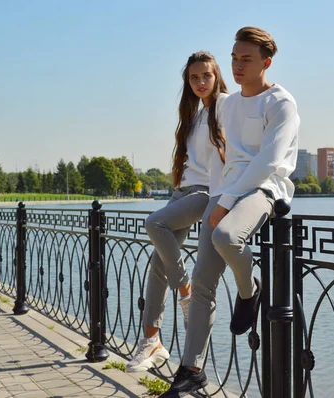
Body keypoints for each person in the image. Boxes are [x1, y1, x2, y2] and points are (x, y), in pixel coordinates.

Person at [160, 26, 300, 396]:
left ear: (266, 63)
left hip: (263, 190)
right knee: (202, 282)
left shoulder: (281, 103)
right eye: (234, 58)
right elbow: (204, 124)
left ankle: (249, 288)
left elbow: (267, 162)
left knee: (225, 236)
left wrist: (222, 202)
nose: (237, 65)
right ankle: (191, 370)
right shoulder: (228, 104)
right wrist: (211, 196)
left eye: (246, 59)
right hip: (223, 193)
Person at [126, 51, 229, 372]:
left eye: (206, 76)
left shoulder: (226, 106)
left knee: (154, 224)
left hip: (205, 194)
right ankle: (152, 341)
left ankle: (185, 289)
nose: (200, 82)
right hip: (181, 192)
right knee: (158, 263)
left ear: (216, 76)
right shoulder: (194, 114)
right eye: (194, 77)